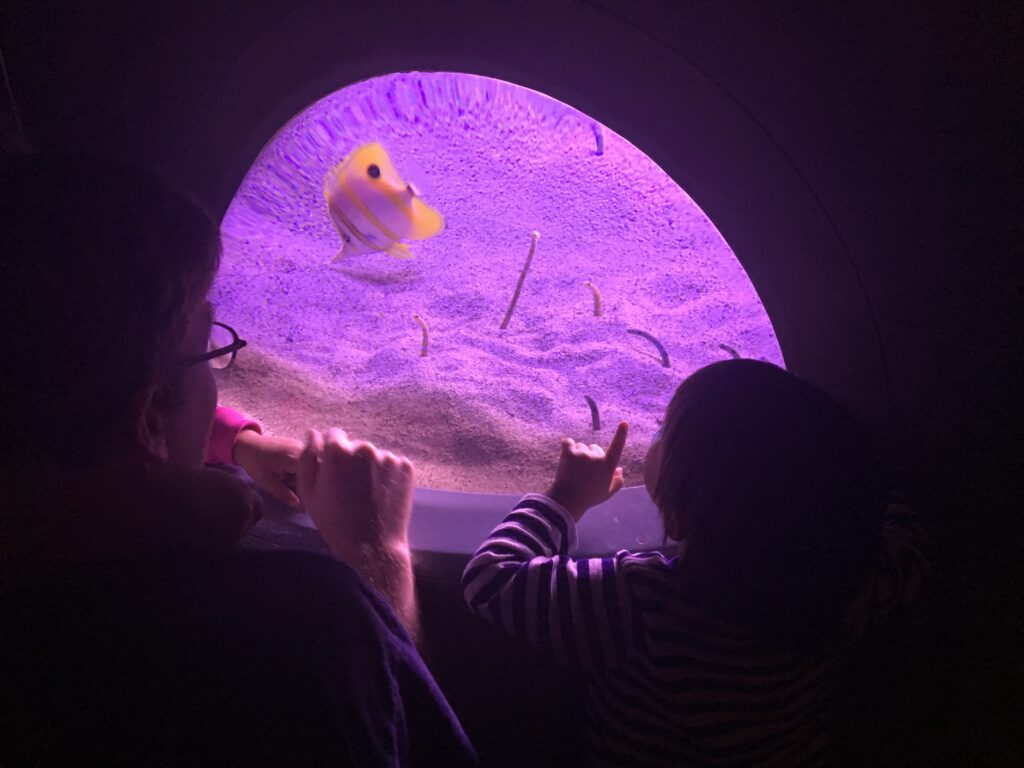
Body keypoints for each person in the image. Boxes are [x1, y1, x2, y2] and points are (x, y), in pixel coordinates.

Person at [0, 153, 477, 766]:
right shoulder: (302, 633)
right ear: (149, 418)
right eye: (207, 350)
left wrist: (229, 441)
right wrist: (377, 561)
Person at [462, 359, 927, 767]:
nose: (658, 434)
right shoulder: (853, 582)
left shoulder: (639, 601)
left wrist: (565, 499)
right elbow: (903, 525)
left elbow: (490, 578)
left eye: (665, 430)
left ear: (682, 518)